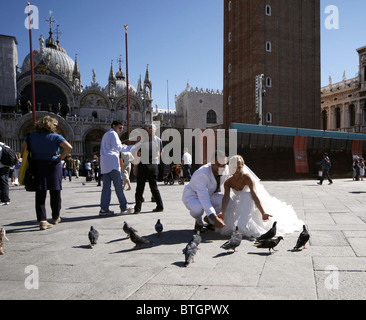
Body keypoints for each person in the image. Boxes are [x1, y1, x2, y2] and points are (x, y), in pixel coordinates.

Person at [216, 155, 303, 238]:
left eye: (239, 167)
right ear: (230, 167)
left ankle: (245, 223)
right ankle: (240, 224)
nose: (237, 170)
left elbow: (254, 195)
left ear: (242, 167)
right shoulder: (228, 182)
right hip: (238, 202)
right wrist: (222, 212)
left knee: (246, 196)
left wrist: (263, 213)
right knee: (232, 221)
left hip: (250, 201)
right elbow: (226, 197)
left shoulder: (247, 178)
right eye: (234, 167)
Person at [20, 116, 72, 230]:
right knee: (55, 192)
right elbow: (69, 147)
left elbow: (22, 150)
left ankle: (42, 221)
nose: (56, 126)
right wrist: (60, 157)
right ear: (49, 125)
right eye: (54, 124)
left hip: (37, 165)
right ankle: (55, 217)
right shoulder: (56, 137)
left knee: (40, 193)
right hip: (53, 165)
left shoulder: (30, 136)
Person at [182, 151, 230, 232]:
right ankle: (199, 222)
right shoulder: (202, 173)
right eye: (218, 164)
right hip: (193, 196)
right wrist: (215, 218)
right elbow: (203, 198)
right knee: (198, 208)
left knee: (229, 202)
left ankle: (209, 220)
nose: (221, 167)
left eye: (224, 165)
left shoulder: (226, 169)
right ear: (212, 162)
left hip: (210, 194)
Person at [99, 120, 133, 216]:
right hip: (113, 164)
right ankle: (124, 207)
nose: (121, 130)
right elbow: (120, 148)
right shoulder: (113, 134)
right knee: (118, 186)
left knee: (106, 187)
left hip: (105, 164)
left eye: (122, 128)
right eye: (120, 127)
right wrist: (132, 146)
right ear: (114, 126)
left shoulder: (106, 134)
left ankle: (104, 209)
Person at [134, 124, 164, 214]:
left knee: (140, 188)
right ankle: (160, 206)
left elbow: (138, 156)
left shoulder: (142, 142)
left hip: (145, 167)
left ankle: (138, 209)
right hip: (152, 167)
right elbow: (157, 154)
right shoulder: (152, 143)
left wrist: (135, 167)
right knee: (153, 187)